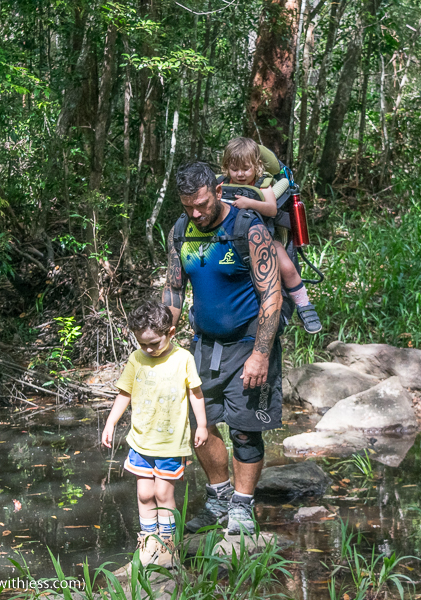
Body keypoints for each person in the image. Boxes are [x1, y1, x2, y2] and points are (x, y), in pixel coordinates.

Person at [163, 161, 283, 536]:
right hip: (204, 346)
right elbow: (174, 289)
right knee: (202, 424)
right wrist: (163, 341)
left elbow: (272, 294)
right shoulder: (181, 231)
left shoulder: (248, 229)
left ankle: (243, 507)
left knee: (245, 431)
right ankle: (219, 498)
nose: (196, 213)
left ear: (217, 191)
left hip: (249, 345)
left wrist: (261, 354)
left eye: (201, 204)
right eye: (188, 207)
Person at [101, 300, 208, 567]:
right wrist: (111, 422)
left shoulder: (183, 359)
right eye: (142, 344)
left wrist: (202, 425)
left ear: (170, 333)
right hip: (141, 441)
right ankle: (149, 542)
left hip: (170, 443)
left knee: (163, 493)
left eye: (154, 343)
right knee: (144, 494)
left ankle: (168, 545)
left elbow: (195, 393)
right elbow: (124, 393)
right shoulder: (136, 359)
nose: (148, 349)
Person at [220, 137, 322, 334]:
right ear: (226, 167)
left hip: (265, 239)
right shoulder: (222, 184)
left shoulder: (263, 183)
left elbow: (271, 209)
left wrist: (250, 203)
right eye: (234, 169)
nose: (240, 174)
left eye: (246, 169)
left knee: (287, 267)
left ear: (256, 166)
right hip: (230, 240)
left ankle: (304, 305)